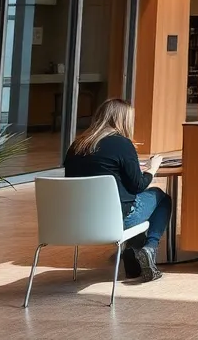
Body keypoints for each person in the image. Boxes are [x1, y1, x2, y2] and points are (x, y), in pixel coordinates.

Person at [63, 98, 171, 282]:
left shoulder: (76, 145)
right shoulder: (122, 144)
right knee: (160, 198)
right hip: (115, 221)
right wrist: (152, 168)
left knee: (131, 200)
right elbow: (137, 185)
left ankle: (133, 252)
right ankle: (150, 248)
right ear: (123, 120)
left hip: (79, 220)